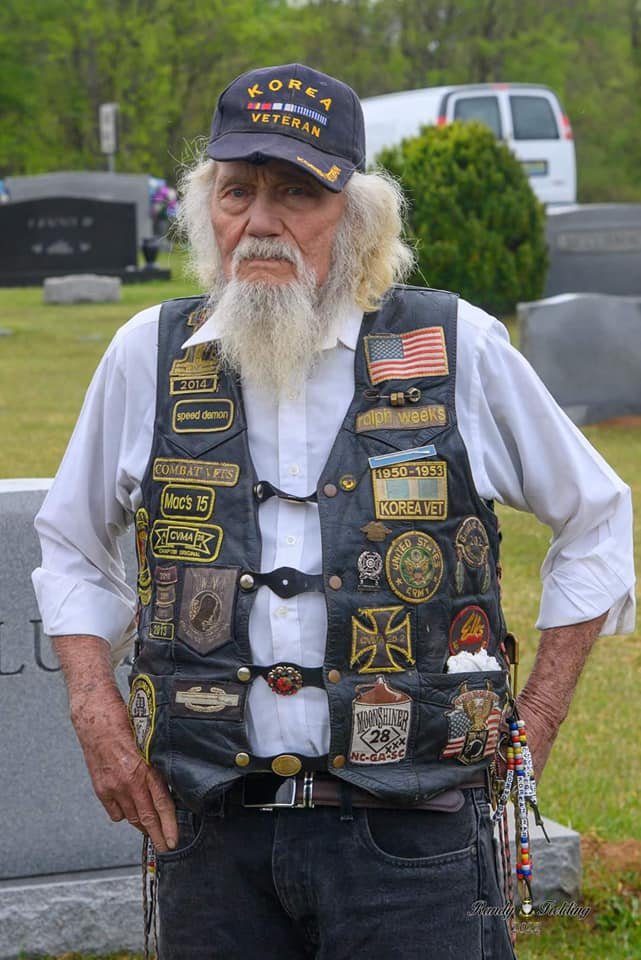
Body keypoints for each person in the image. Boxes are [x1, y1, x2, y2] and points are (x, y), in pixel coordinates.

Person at [33, 63, 635, 960]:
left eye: (296, 193)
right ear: (207, 207)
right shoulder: (146, 357)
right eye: (237, 191)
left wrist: (532, 726)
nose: (261, 223)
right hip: (208, 840)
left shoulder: (455, 345)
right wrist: (93, 707)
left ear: (354, 215)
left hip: (412, 845)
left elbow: (598, 521)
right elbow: (73, 548)